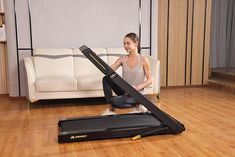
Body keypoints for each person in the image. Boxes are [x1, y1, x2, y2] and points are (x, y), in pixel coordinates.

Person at [102, 32, 152, 115]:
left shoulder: (143, 59)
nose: (125, 46)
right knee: (106, 78)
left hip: (138, 94)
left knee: (116, 102)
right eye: (124, 44)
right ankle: (110, 110)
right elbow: (109, 70)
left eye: (128, 43)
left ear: (136, 43)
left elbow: (150, 80)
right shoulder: (123, 59)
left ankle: (139, 105)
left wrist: (138, 87)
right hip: (126, 91)